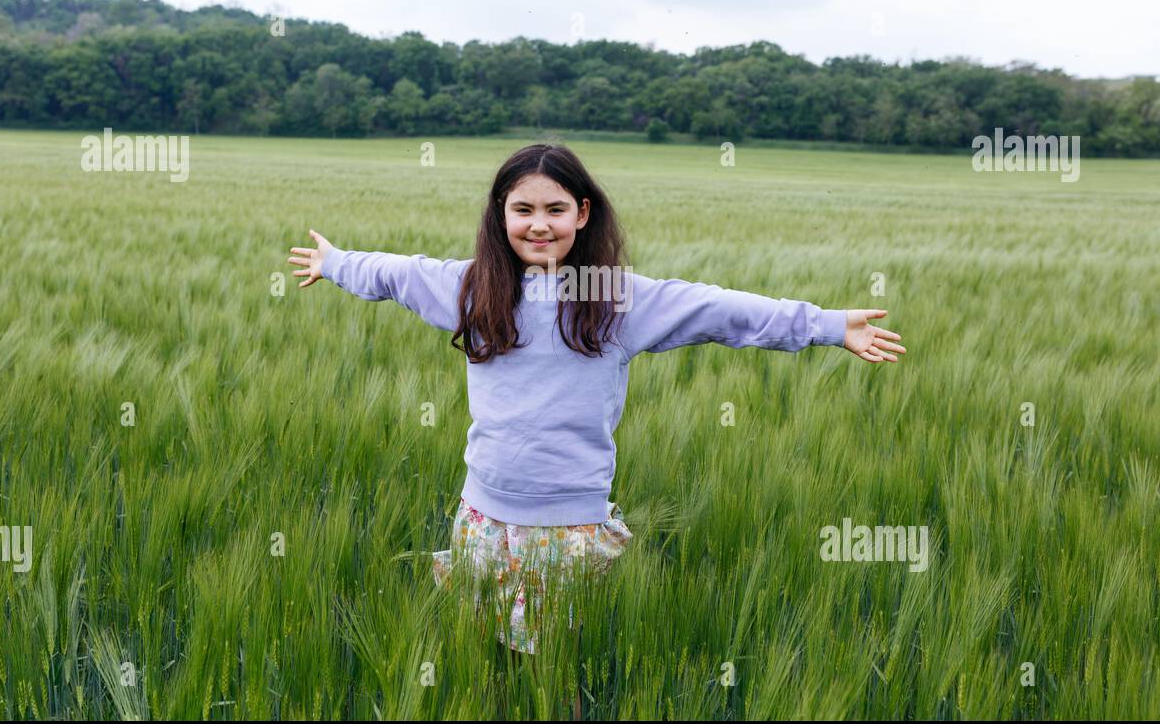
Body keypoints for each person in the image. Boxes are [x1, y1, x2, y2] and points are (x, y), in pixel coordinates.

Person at [287, 143, 905, 670]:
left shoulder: (614, 299)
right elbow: (395, 273)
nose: (538, 224)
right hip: (483, 519)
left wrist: (825, 325)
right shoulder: (469, 288)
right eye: (522, 209)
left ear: (582, 214)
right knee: (486, 663)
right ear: (499, 214)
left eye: (555, 209)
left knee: (557, 672)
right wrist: (337, 263)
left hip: (569, 530)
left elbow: (719, 309)